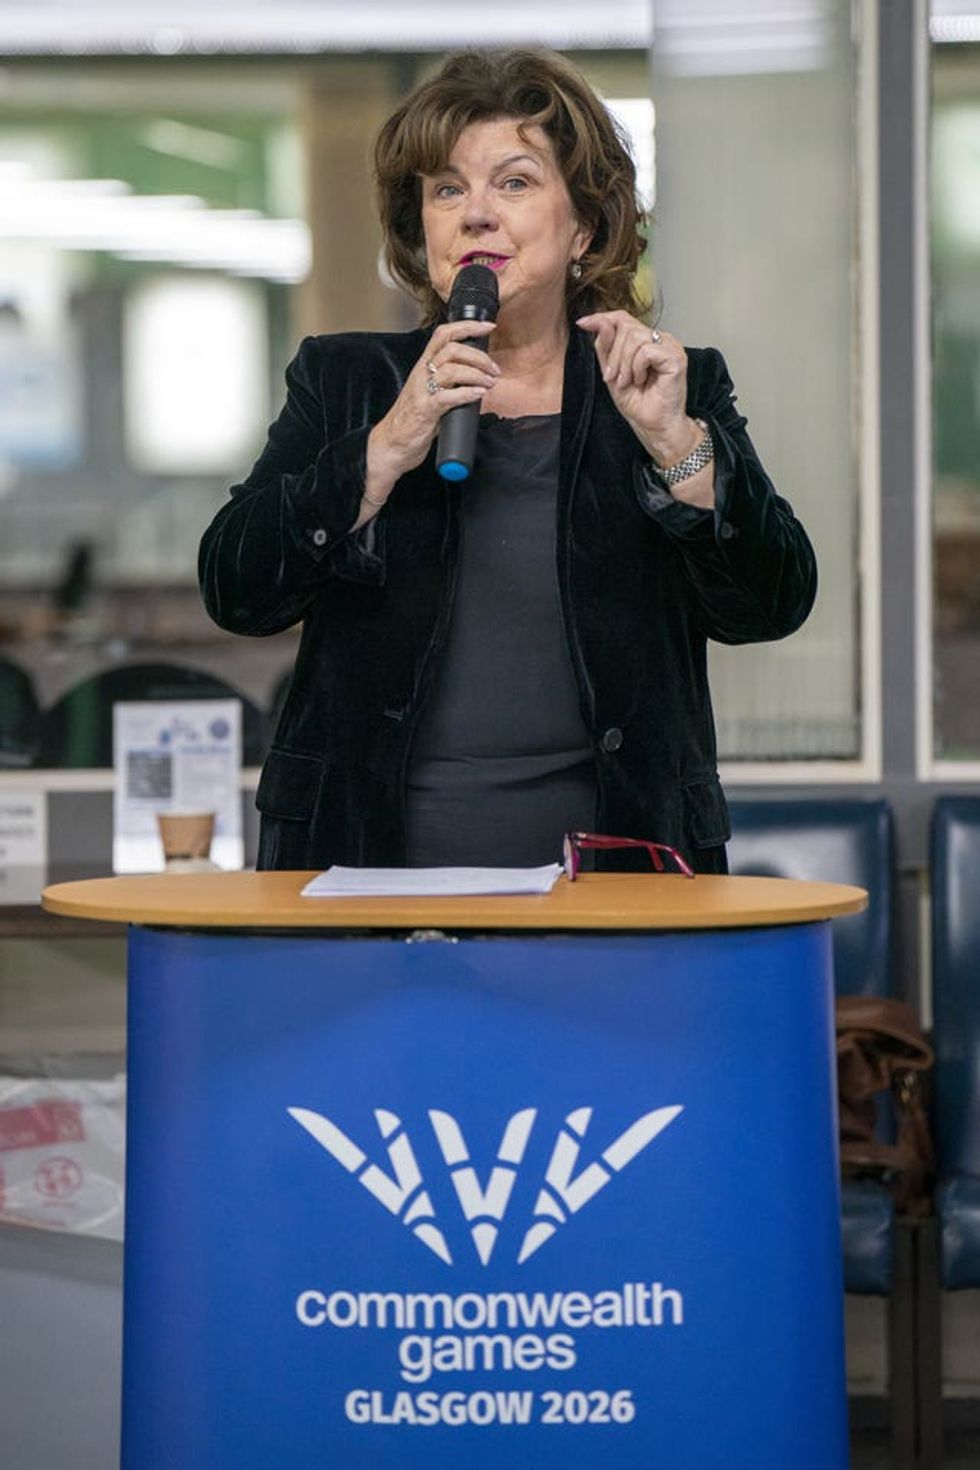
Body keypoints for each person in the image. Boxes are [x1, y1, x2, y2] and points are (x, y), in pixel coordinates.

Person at [199, 47, 817, 875]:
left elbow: (770, 604)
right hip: (367, 868)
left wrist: (677, 444)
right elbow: (235, 590)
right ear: (421, 229)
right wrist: (381, 452)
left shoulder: (668, 382)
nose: (475, 214)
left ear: (586, 228)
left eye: (514, 183)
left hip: (618, 875)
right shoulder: (348, 381)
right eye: (447, 189)